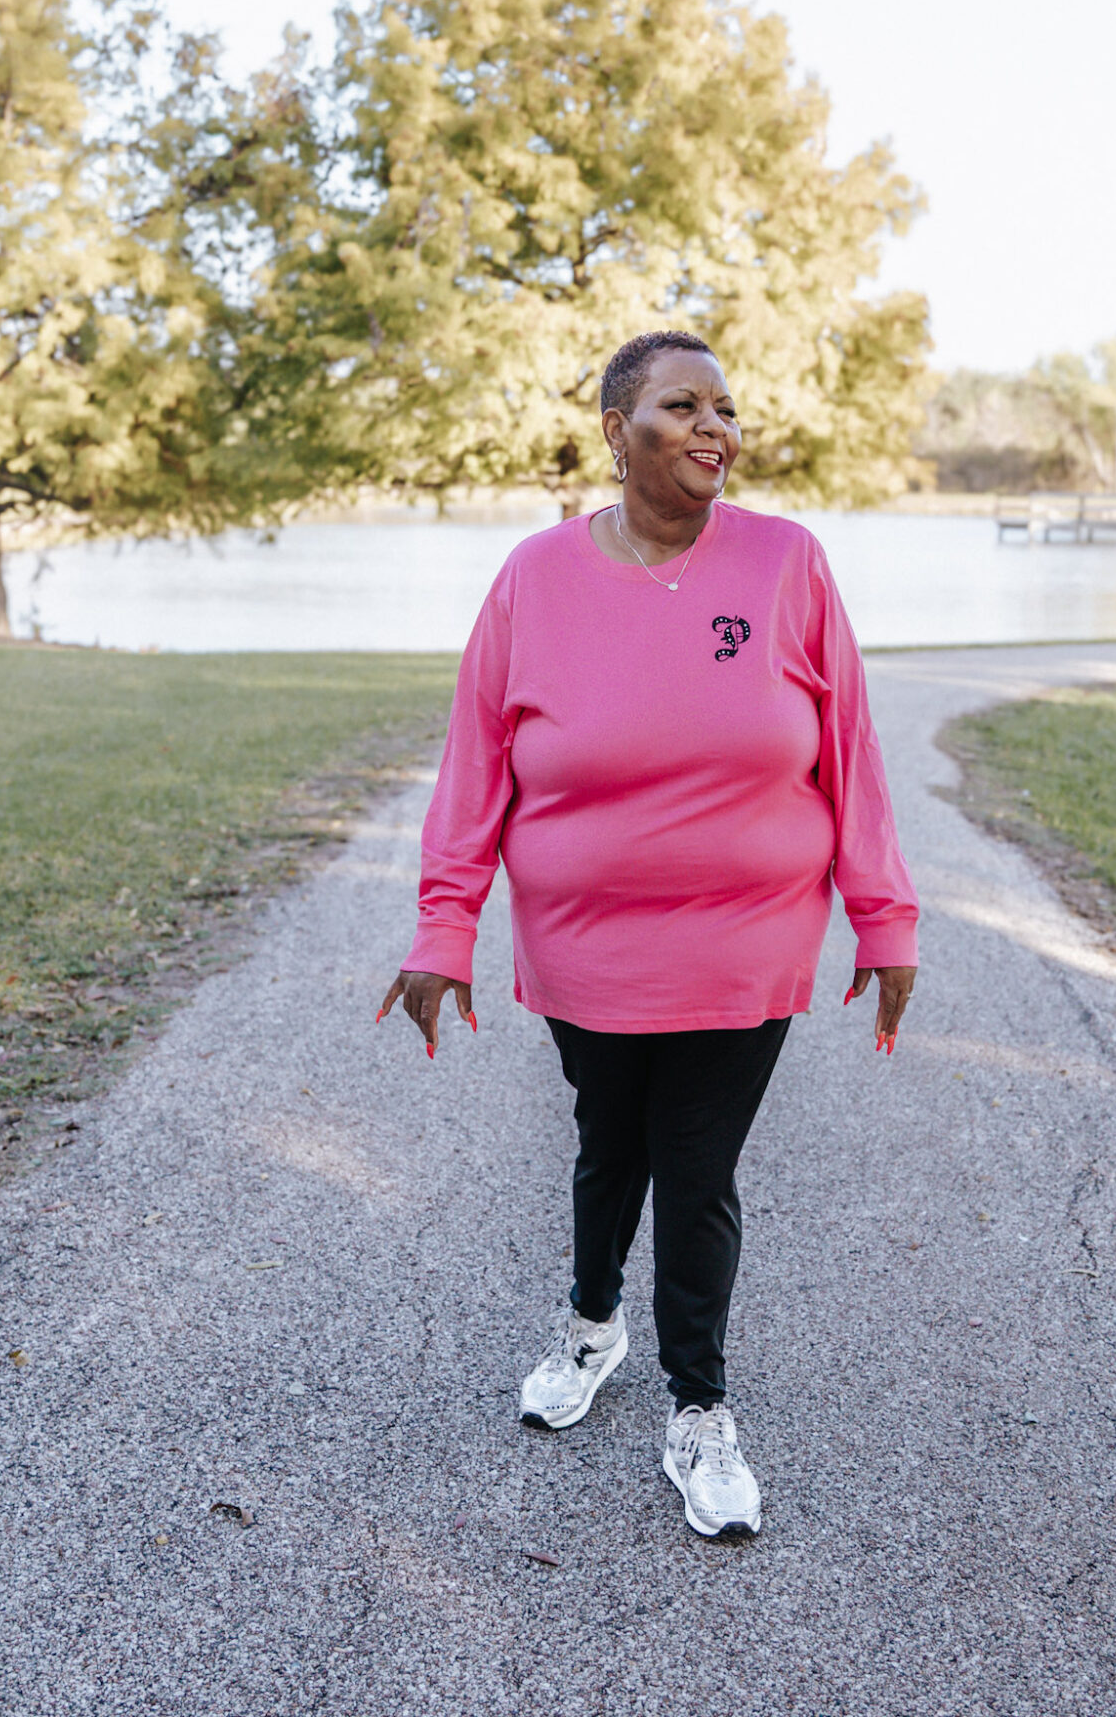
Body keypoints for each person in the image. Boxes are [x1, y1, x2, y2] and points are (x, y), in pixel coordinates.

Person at [379, 329, 918, 1538]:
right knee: (606, 1138)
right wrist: (442, 928)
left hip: (747, 940)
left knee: (695, 1160)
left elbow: (850, 746)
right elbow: (475, 763)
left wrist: (883, 919)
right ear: (618, 432)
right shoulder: (533, 576)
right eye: (685, 405)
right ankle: (590, 1323)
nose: (716, 427)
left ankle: (699, 1405)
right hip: (585, 944)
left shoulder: (786, 561)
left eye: (726, 407)